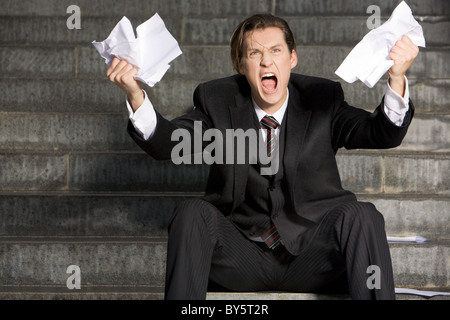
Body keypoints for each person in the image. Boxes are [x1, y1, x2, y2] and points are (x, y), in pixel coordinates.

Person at [106, 14, 419, 300]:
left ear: (292, 57)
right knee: (192, 212)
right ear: (241, 65)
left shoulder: (323, 99)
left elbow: (381, 133)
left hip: (311, 257)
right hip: (243, 257)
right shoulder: (218, 101)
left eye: (276, 51)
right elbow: (168, 144)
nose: (266, 61)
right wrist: (135, 93)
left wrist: (396, 78)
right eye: (255, 54)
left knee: (363, 214)